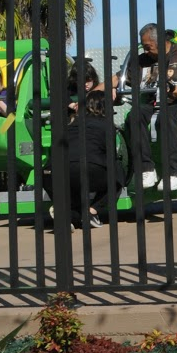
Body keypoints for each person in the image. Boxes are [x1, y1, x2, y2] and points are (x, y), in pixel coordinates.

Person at [118, 23, 177, 192]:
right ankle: (146, 170)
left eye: (148, 47)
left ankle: (175, 173)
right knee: (134, 115)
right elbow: (118, 78)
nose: (145, 51)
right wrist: (96, 91)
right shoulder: (143, 60)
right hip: (152, 102)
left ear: (161, 42)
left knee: (166, 117)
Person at [44, 59, 120, 228]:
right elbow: (111, 157)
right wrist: (71, 104)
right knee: (117, 174)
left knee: (71, 186)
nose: (86, 84)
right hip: (87, 165)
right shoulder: (104, 125)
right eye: (81, 82)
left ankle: (67, 214)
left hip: (52, 171)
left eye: (88, 80)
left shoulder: (70, 127)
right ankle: (91, 211)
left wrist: (113, 89)